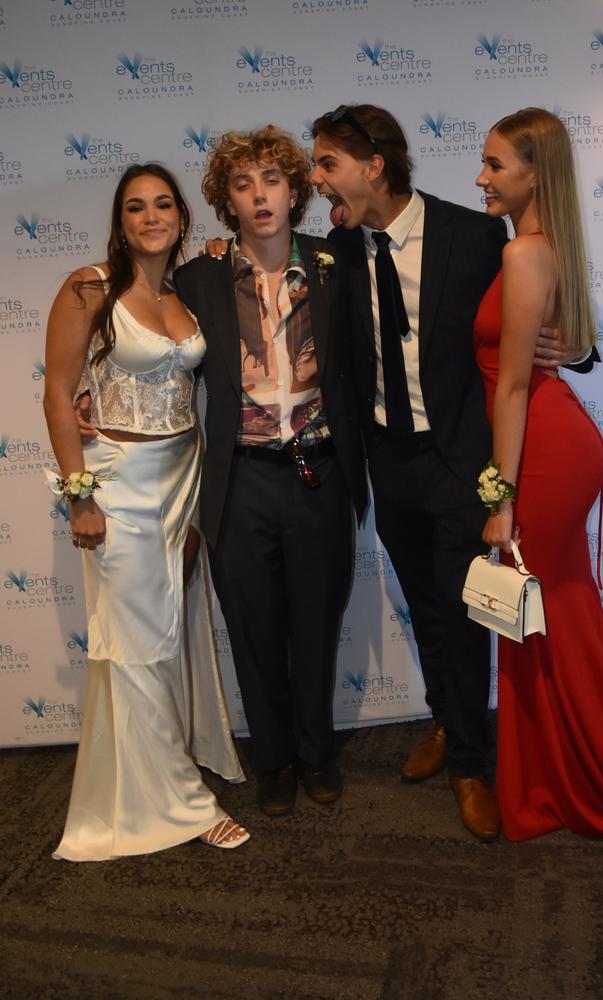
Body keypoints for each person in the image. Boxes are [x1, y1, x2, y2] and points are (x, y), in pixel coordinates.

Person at [309, 103, 595, 841]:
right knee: (426, 608)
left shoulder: (475, 235)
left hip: (460, 460)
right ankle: (444, 720)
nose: (317, 181)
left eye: (327, 164)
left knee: (466, 613)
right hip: (387, 459)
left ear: (375, 166)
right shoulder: (337, 252)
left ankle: (472, 762)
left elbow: (524, 324)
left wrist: (578, 350)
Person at [44, 163, 249, 861]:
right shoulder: (88, 288)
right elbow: (58, 395)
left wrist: (223, 254)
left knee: (167, 634)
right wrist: (80, 496)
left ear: (183, 218)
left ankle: (148, 779)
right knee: (131, 647)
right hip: (120, 484)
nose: (151, 216)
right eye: (136, 207)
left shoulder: (187, 292)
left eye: (163, 204)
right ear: (120, 221)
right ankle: (181, 803)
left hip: (183, 480)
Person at [173, 127, 368, 817]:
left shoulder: (335, 263)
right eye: (242, 183)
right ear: (226, 200)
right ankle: (275, 760)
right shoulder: (197, 278)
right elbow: (149, 349)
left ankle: (317, 754)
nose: (260, 195)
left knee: (315, 625)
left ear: (294, 190)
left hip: (318, 471)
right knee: (254, 629)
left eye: (271, 180)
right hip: (240, 477)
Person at [473, 107, 603, 840]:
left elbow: (512, 386)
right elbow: (566, 345)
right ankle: (565, 766)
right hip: (553, 441)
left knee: (539, 613)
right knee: (546, 616)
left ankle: (601, 768)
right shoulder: (541, 248)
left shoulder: (523, 255)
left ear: (533, 174)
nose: (481, 177)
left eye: (494, 165)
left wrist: (501, 498)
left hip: (542, 452)